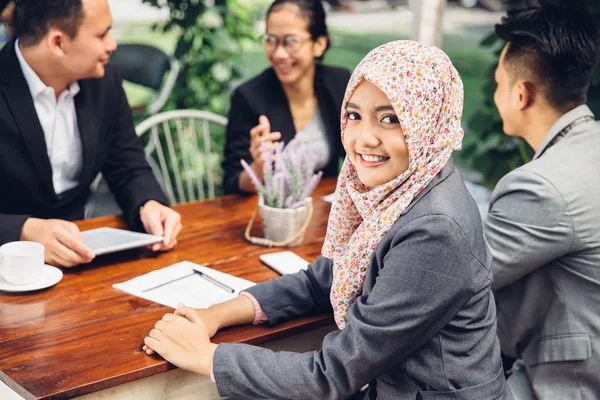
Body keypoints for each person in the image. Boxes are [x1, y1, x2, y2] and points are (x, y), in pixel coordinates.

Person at [143, 40, 512, 400]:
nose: (364, 138)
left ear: (428, 123)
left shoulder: (435, 229)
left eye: (390, 119)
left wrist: (207, 357)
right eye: (354, 115)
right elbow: (325, 279)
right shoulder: (400, 189)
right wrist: (216, 314)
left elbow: (333, 375)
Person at [0, 0, 182, 267]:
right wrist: (22, 230)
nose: (112, 44)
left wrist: (149, 203)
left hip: (83, 259)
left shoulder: (105, 80)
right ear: (58, 43)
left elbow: (127, 165)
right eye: (101, 34)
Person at [484, 6, 600, 400]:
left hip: (569, 382)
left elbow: (458, 276)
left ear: (521, 94)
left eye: (498, 82)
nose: (496, 92)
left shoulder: (543, 186)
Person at [222, 0, 351, 195]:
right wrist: (257, 168)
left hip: (326, 209)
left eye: (290, 41)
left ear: (319, 44)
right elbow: (233, 181)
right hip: (268, 213)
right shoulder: (248, 97)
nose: (279, 53)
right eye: (271, 40)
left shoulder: (338, 83)